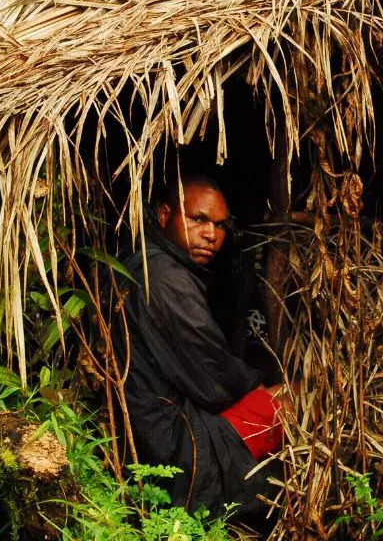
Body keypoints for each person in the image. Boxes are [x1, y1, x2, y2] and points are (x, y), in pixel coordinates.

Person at [116, 175, 284, 516]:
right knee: (290, 401)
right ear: (164, 215)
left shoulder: (145, 263)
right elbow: (215, 379)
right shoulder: (165, 278)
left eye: (220, 225)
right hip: (172, 446)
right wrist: (262, 387)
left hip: (149, 431)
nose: (211, 234)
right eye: (198, 219)